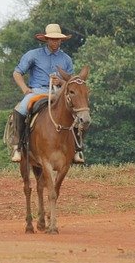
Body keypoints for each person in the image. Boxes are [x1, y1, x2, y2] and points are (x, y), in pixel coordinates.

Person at [10, 23, 84, 163]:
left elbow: (71, 83)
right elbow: (17, 73)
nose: (55, 42)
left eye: (57, 39)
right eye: (52, 39)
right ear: (46, 39)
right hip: (38, 91)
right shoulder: (33, 55)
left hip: (59, 93)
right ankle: (17, 146)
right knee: (21, 108)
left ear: (61, 40)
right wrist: (25, 89)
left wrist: (60, 82)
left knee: (78, 111)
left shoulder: (66, 59)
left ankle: (77, 149)